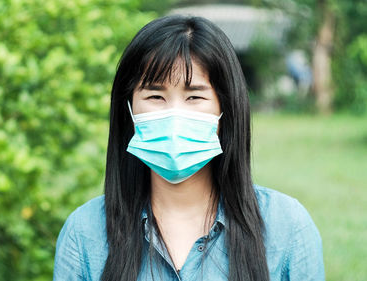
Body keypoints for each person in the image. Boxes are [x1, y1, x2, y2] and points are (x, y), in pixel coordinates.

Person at [53, 15, 324, 281]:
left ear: (225, 110)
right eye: (155, 96)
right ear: (129, 110)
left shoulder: (286, 227)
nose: (174, 116)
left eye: (194, 96)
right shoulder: (85, 233)